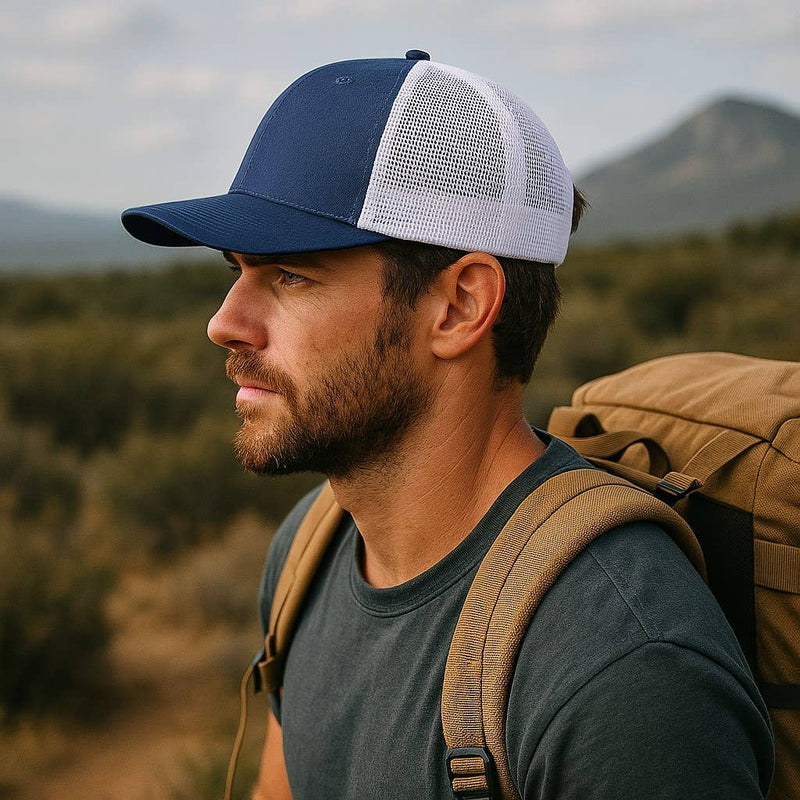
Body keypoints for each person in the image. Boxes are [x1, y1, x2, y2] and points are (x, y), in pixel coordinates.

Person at [122, 51, 774, 799]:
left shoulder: (624, 673)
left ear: (461, 307)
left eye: (291, 276)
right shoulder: (310, 548)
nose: (224, 323)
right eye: (235, 271)